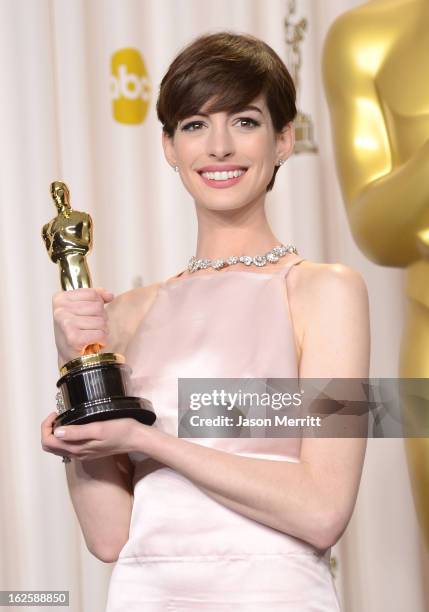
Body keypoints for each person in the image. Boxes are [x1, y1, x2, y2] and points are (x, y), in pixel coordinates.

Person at [41, 32, 370, 611]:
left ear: (284, 140)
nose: (218, 146)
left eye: (244, 121)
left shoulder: (324, 292)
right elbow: (110, 536)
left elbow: (322, 512)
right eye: (194, 125)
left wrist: (146, 439)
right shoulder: (126, 314)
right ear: (169, 147)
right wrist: (75, 397)